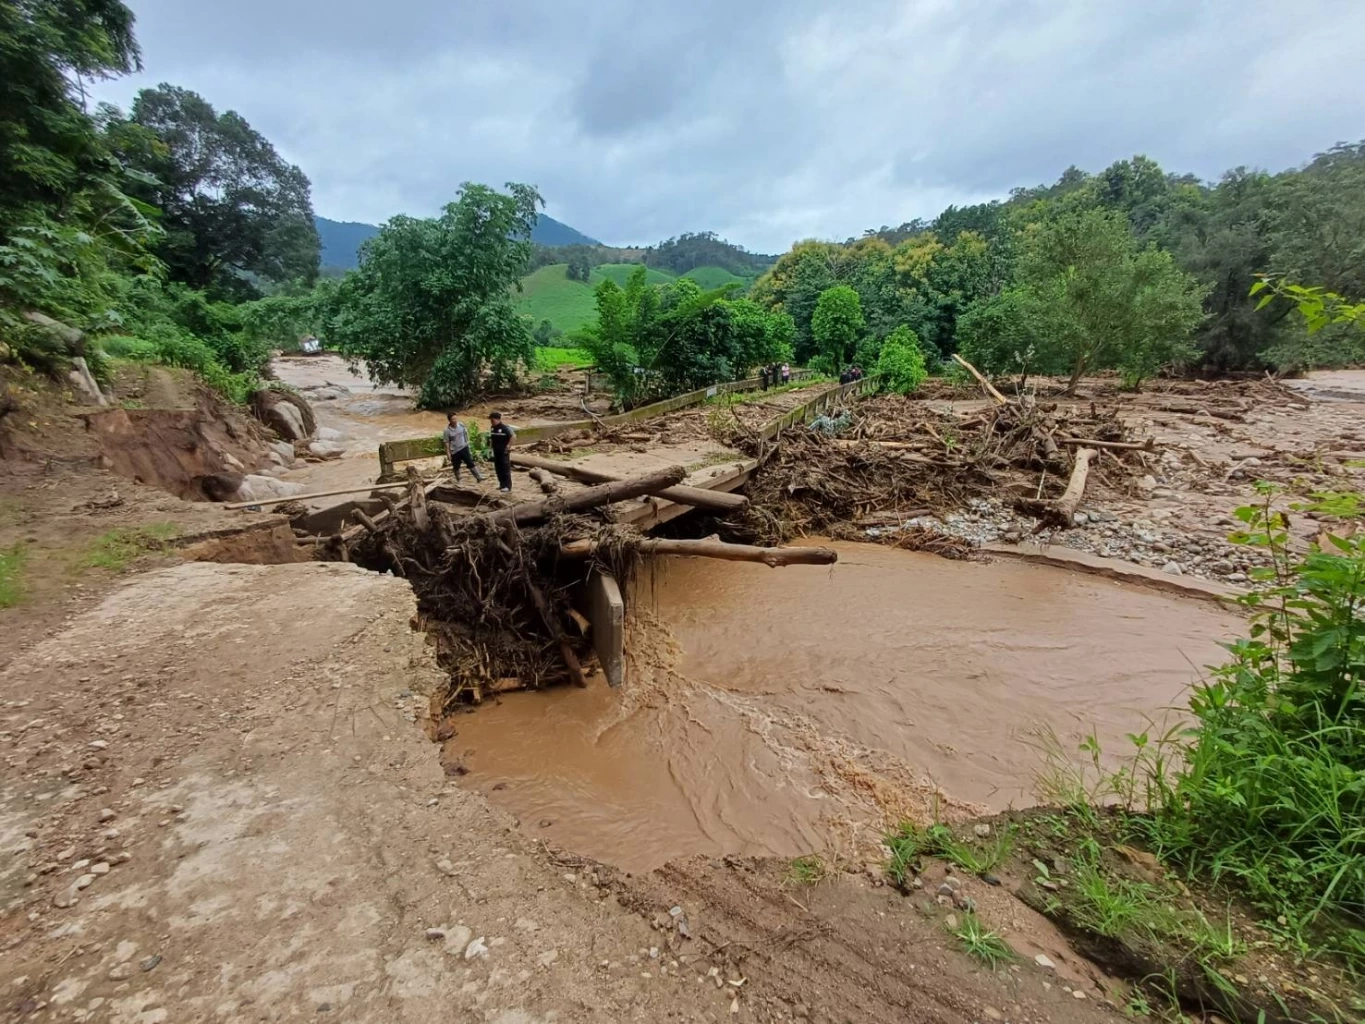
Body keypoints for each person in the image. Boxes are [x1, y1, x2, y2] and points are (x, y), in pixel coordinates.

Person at [444, 412, 483, 483]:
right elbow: (446, 442)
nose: (455, 420)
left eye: (456, 418)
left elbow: (466, 432)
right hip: (455, 450)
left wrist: (467, 441)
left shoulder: (461, 425)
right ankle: (459, 480)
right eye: (453, 419)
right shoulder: (447, 431)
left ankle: (478, 477)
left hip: (464, 447)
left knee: (470, 462)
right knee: (456, 466)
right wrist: (448, 453)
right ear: (449, 420)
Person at [488, 411, 515, 492]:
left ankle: (507, 486)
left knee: (505, 469)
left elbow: (513, 436)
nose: (491, 422)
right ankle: (502, 484)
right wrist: (490, 448)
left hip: (503, 452)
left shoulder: (504, 428)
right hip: (496, 451)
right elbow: (492, 439)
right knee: (498, 469)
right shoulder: (492, 428)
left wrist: (508, 446)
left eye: (492, 420)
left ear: (497, 419)